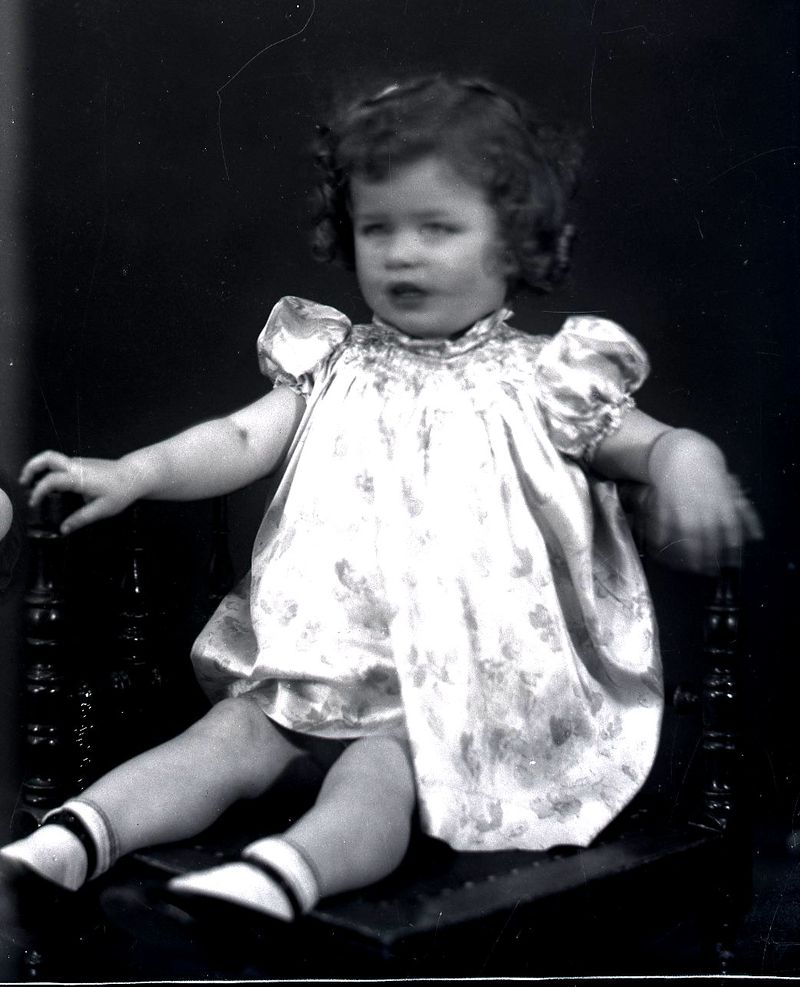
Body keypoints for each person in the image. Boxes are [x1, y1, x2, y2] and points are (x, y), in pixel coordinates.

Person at [1, 75, 762, 930]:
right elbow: (240, 438)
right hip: (317, 665)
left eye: (436, 228)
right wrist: (134, 472)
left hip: (459, 702)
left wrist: (690, 461)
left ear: (514, 242)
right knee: (224, 738)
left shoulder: (544, 379)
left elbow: (652, 444)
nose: (402, 253)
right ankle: (74, 837)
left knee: (376, 773)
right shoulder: (333, 359)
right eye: (378, 228)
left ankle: (282, 876)